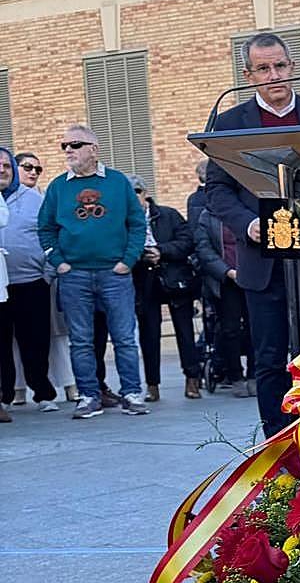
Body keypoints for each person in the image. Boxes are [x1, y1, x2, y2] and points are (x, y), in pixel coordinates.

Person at [205, 32, 300, 437]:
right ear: (248, 74)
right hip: (265, 260)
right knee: (271, 357)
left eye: (281, 66)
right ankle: (279, 445)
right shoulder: (229, 123)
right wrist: (246, 224)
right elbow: (217, 192)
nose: (274, 75)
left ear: (292, 66)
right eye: (264, 69)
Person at [37, 125, 148, 419]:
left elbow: (137, 223)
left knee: (124, 337)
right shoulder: (58, 187)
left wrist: (129, 259)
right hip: (73, 275)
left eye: (75, 144)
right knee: (81, 340)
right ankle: (88, 395)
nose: (68, 151)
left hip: (116, 273)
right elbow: (46, 228)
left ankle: (132, 393)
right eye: (64, 146)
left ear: (94, 150)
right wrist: (58, 261)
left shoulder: (118, 182)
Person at [128, 175, 202, 401]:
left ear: (145, 192)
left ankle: (192, 380)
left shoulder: (168, 214)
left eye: (138, 192)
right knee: (149, 335)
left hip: (175, 278)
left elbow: (187, 241)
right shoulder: (125, 221)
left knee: (185, 331)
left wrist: (162, 251)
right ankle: (152, 385)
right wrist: (142, 256)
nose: (135, 197)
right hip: (144, 281)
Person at [0, 146, 56, 415]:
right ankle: (4, 397)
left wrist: (47, 274)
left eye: (6, 165)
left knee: (36, 342)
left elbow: (52, 236)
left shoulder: (35, 199)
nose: (1, 169)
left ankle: (43, 393)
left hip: (32, 282)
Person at [195, 205, 255, 398]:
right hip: (225, 281)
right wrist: (227, 272)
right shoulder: (208, 216)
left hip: (253, 277)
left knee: (255, 327)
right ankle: (235, 376)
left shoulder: (250, 210)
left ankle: (254, 375)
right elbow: (204, 250)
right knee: (230, 329)